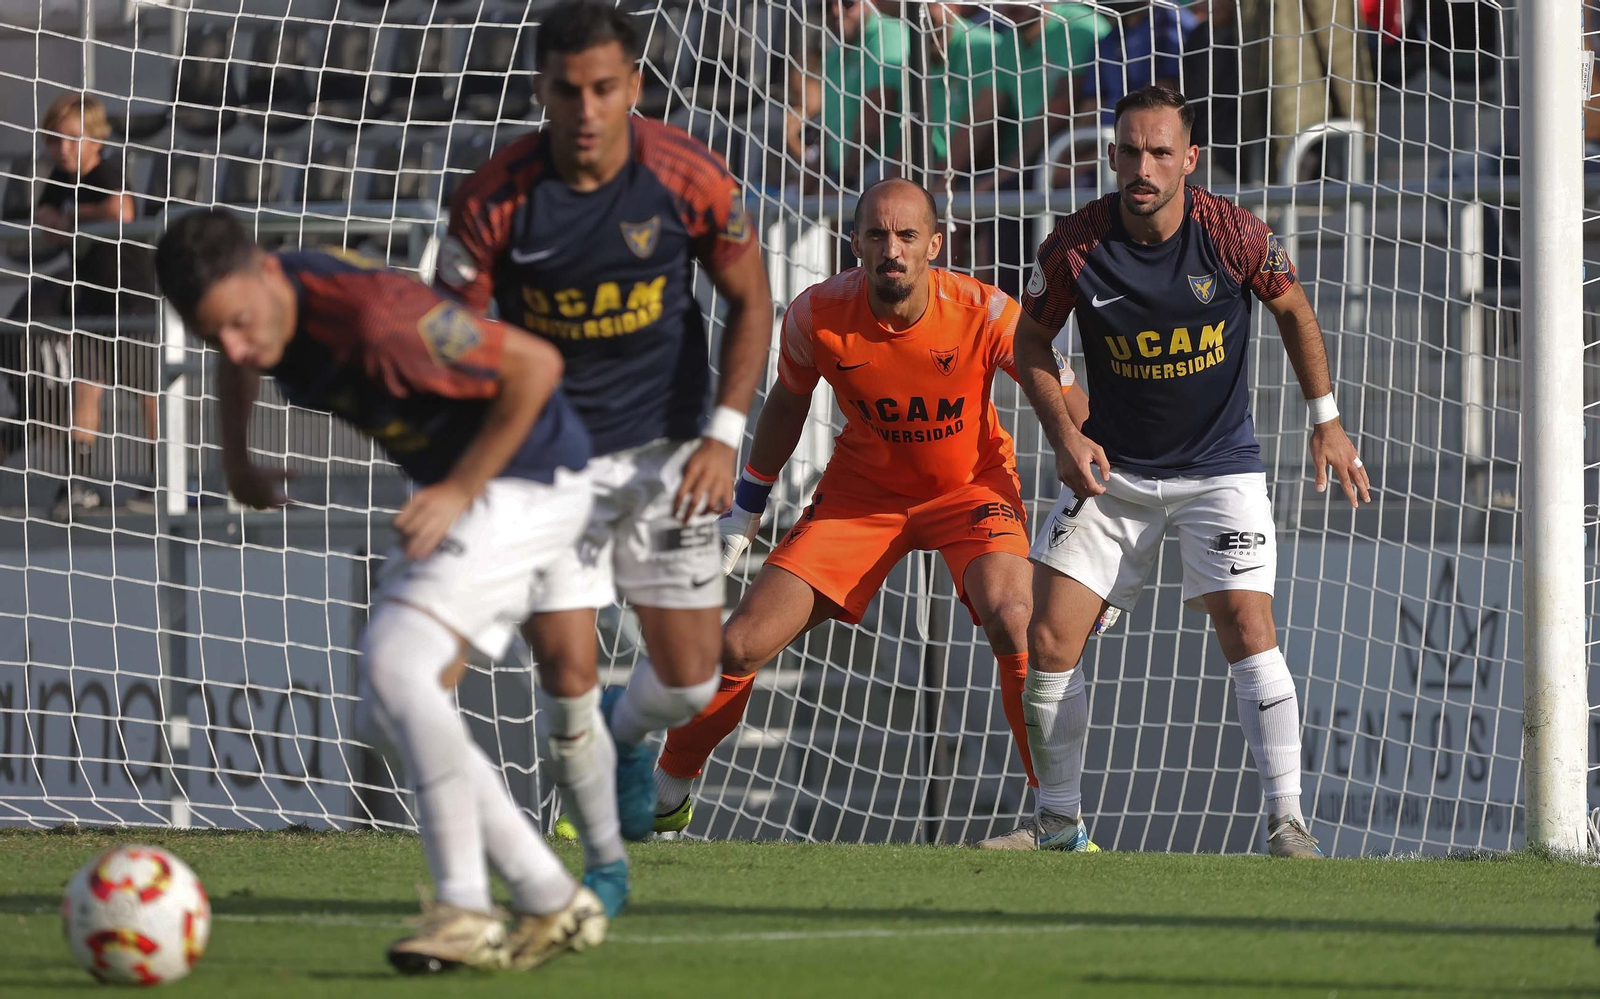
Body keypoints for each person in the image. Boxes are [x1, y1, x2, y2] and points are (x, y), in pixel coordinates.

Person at [154, 209, 606, 973]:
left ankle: (468, 906)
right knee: (384, 707)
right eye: (211, 335)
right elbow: (242, 355)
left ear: (265, 270)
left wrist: (459, 487)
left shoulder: (379, 322)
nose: (232, 346)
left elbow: (535, 367)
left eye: (234, 323)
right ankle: (545, 891)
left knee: (398, 671)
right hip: (474, 488)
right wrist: (235, 456)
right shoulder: (260, 312)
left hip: (529, 478)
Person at [437, 0, 772, 914]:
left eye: (603, 89)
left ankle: (633, 738)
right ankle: (604, 869)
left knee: (694, 675)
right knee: (566, 673)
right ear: (540, 90)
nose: (584, 109)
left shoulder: (688, 177)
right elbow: (451, 337)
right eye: (565, 91)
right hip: (551, 466)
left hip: (671, 455)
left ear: (634, 86)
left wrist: (723, 435)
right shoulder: (493, 197)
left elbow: (752, 301)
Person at [649, 178, 1089, 835]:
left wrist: (1092, 502)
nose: (893, 248)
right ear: (853, 243)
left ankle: (1058, 820)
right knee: (740, 645)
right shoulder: (815, 316)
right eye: (878, 234)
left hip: (970, 488)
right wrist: (745, 507)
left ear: (935, 245)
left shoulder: (985, 311)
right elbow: (789, 404)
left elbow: (1062, 394)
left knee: (1016, 620)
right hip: (863, 497)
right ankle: (663, 796)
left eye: (908, 235)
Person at [1005, 85, 1369, 856]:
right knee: (1048, 637)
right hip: (1114, 471)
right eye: (1131, 151)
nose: (1144, 166)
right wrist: (1065, 435)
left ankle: (1288, 821)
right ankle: (1060, 824)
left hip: (1218, 468)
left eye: (1161, 151)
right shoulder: (1075, 244)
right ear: (1111, 157)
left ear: (1189, 159)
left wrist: (1327, 420)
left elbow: (1295, 311)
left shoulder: (1232, 232)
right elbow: (1028, 346)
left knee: (1249, 622)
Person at [32, 92, 161, 519]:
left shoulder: (105, 171)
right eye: (54, 139)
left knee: (148, 392)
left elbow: (120, 210)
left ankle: (163, 478)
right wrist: (60, 219)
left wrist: (74, 217)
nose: (62, 148)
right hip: (88, 303)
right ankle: (80, 482)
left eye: (71, 139)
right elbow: (45, 218)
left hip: (130, 298)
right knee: (85, 390)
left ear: (96, 140)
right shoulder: (59, 177)